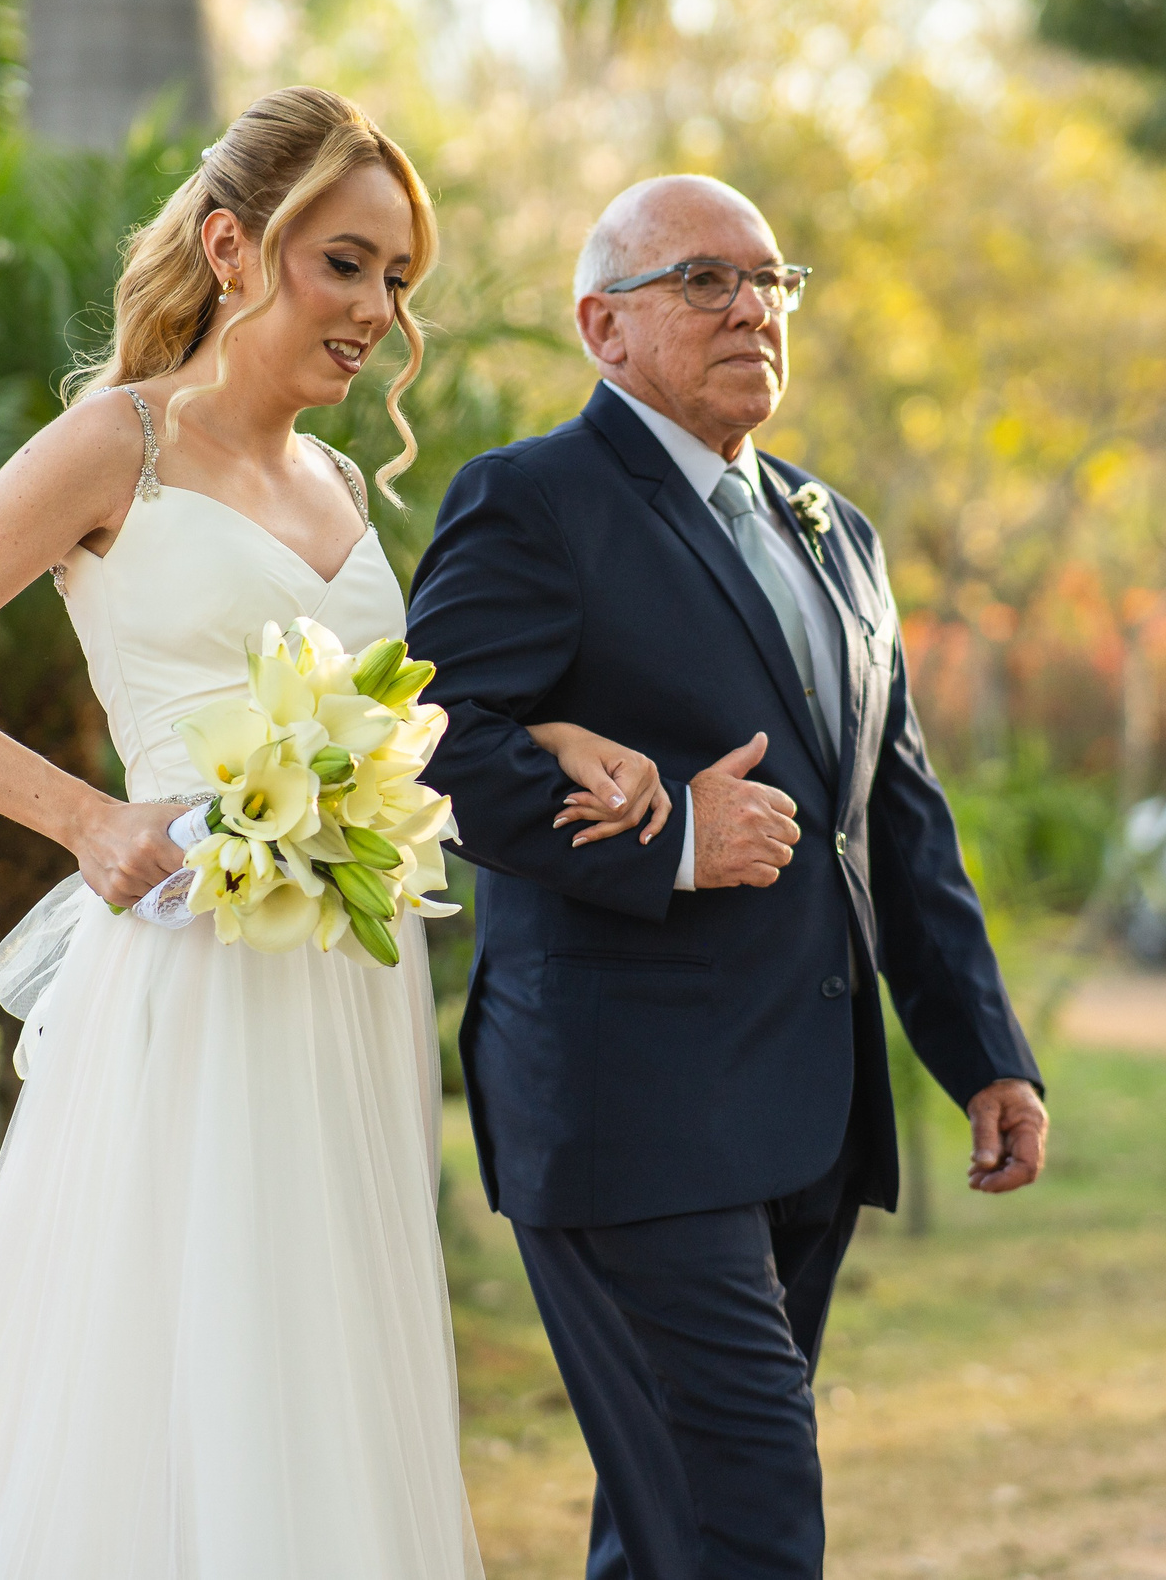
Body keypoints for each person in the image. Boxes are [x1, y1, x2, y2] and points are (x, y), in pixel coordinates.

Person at [0, 86, 508, 1578]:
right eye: (345, 263)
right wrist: (85, 819)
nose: (377, 311)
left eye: (397, 279)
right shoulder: (112, 445)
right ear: (233, 247)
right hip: (193, 970)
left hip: (347, 975)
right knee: (175, 1344)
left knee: (322, 1346)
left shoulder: (338, 481)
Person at [406, 174, 1050, 1578]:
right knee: (746, 1515)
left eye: (772, 280)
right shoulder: (534, 501)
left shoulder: (836, 529)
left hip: (808, 1112)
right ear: (603, 326)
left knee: (676, 1528)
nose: (753, 307)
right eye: (705, 280)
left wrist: (985, 1052)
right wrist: (681, 842)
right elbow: (432, 748)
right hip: (628, 1111)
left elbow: (897, 816)